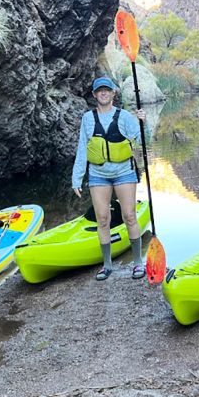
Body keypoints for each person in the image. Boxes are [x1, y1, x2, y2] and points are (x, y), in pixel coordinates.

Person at [72, 77, 147, 281]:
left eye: (107, 90)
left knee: (129, 216)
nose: (104, 93)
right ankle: (107, 265)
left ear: (114, 94)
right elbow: (81, 150)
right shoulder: (87, 119)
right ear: (95, 95)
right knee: (103, 219)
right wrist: (76, 178)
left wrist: (143, 122)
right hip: (98, 176)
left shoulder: (124, 117)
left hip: (124, 173)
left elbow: (142, 139)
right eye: (100, 91)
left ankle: (138, 262)